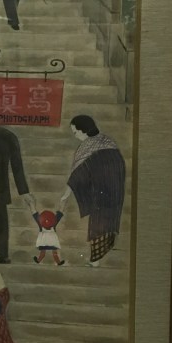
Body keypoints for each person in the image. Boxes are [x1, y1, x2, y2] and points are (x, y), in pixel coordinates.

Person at [59, 114, 126, 266]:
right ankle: (99, 256)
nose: (75, 136)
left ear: (83, 130)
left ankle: (96, 259)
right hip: (114, 184)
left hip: (101, 185)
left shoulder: (86, 146)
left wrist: (66, 194)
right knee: (110, 217)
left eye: (75, 132)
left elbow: (77, 173)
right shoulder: (108, 141)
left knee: (99, 218)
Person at [0, 122, 36, 263]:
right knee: (1, 219)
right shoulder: (9, 136)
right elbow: (17, 165)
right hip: (0, 185)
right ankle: (2, 254)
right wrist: (23, 191)